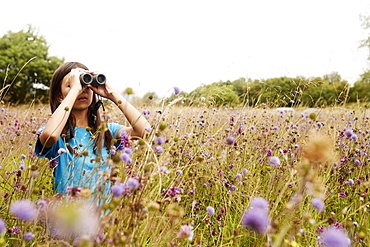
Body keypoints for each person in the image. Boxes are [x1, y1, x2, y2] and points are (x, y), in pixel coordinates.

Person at [35, 62, 150, 200]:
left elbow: (146, 132)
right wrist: (74, 90)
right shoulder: (57, 133)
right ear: (60, 96)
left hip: (101, 219)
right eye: (71, 85)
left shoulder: (107, 131)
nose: (82, 90)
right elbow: (49, 136)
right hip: (68, 218)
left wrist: (112, 94)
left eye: (86, 85)